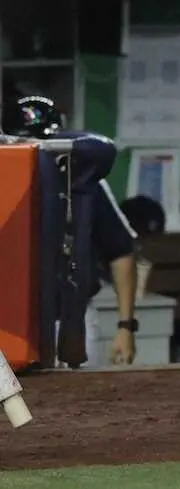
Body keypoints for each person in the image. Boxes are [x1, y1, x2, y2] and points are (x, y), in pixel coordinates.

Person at [3, 95, 141, 367]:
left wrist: (126, 326)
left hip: (69, 317)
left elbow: (121, 252)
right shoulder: (5, 187)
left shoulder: (83, 185)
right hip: (11, 319)